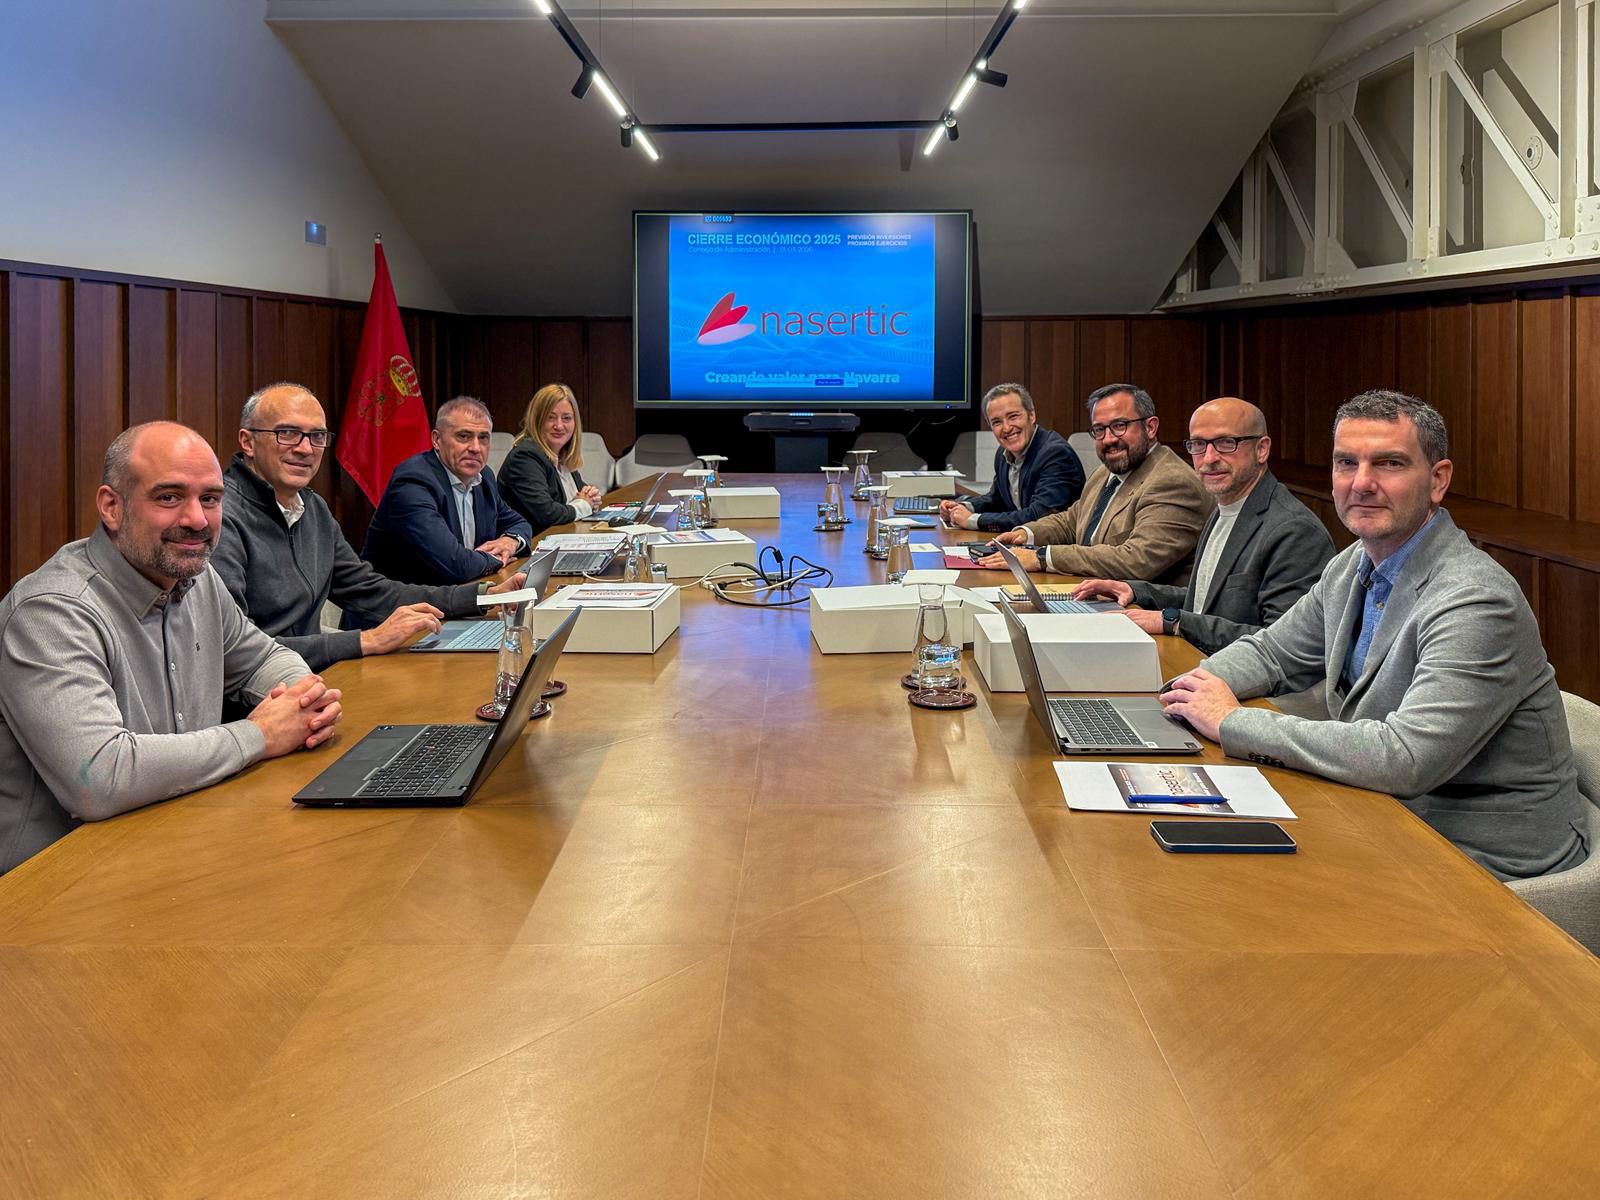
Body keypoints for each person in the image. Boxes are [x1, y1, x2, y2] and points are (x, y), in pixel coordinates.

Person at [1163, 390, 1589, 880]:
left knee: (1238, 886)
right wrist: (1186, 692)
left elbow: (1406, 759)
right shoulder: (1353, 564)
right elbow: (1272, 652)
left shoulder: (1476, 600)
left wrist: (1231, 722)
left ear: (1437, 480)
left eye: (1388, 463)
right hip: (1389, 813)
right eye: (1347, 462)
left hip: (1485, 854)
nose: (1362, 483)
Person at [0, 422, 342, 876]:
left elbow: (261, 657)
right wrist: (260, 736)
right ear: (111, 506)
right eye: (169, 497)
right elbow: (102, 778)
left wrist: (304, 701)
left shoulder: (197, 579)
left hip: (178, 844)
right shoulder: (51, 613)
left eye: (210, 499)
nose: (197, 519)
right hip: (57, 885)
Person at [213, 383, 527, 671]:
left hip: (312, 679)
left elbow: (371, 590)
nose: (305, 449)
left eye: (317, 436)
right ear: (248, 442)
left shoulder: (313, 509)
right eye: (288, 433)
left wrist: (483, 597)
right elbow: (236, 650)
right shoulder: (220, 520)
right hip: (261, 700)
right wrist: (366, 640)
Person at [1070, 397, 1334, 654]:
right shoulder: (1224, 507)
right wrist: (1134, 589)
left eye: (1225, 443)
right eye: (1198, 444)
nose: (1208, 458)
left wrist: (1172, 621)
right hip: (1204, 661)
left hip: (1257, 692)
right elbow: (1206, 602)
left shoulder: (1294, 531)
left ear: (1262, 449)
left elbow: (1281, 644)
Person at [978, 383, 1212, 583]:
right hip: (1092, 592)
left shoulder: (1172, 482)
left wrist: (1041, 556)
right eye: (1100, 430)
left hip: (1143, 613)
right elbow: (1072, 520)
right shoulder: (1105, 471)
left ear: (1150, 427)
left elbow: (1135, 561)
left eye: (1120, 426)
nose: (1109, 439)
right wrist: (1025, 534)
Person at [360, 396, 533, 586]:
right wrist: (498, 559)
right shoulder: (413, 482)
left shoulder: (484, 478)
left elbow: (519, 523)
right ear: (436, 439)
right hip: (401, 609)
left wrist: (510, 542)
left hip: (456, 599)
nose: (475, 448)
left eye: (483, 438)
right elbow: (456, 565)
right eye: (463, 436)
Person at [939, 383, 1084, 533]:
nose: (1007, 428)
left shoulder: (1056, 454)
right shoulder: (1003, 453)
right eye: (997, 422)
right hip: (1021, 544)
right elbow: (997, 499)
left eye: (1013, 416)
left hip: (1053, 548)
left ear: (1032, 415)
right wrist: (962, 507)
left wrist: (972, 520)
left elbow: (1039, 516)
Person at [497, 382, 606, 536]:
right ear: (537, 420)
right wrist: (584, 505)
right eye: (551, 418)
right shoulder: (525, 457)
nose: (559, 426)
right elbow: (547, 514)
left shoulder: (562, 456)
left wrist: (591, 498)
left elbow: (582, 498)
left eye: (567, 418)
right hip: (531, 551)